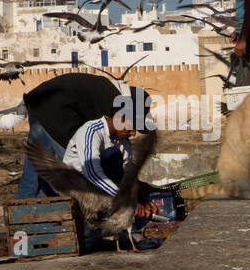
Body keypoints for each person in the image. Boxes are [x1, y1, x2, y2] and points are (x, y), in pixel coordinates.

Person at [16, 73, 159, 245]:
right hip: (51, 111)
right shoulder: (111, 102)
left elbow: (125, 171)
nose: (133, 133)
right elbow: (92, 170)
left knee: (33, 179)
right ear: (122, 116)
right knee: (75, 176)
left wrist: (139, 195)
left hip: (42, 104)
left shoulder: (115, 104)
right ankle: (76, 233)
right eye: (133, 125)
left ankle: (22, 237)